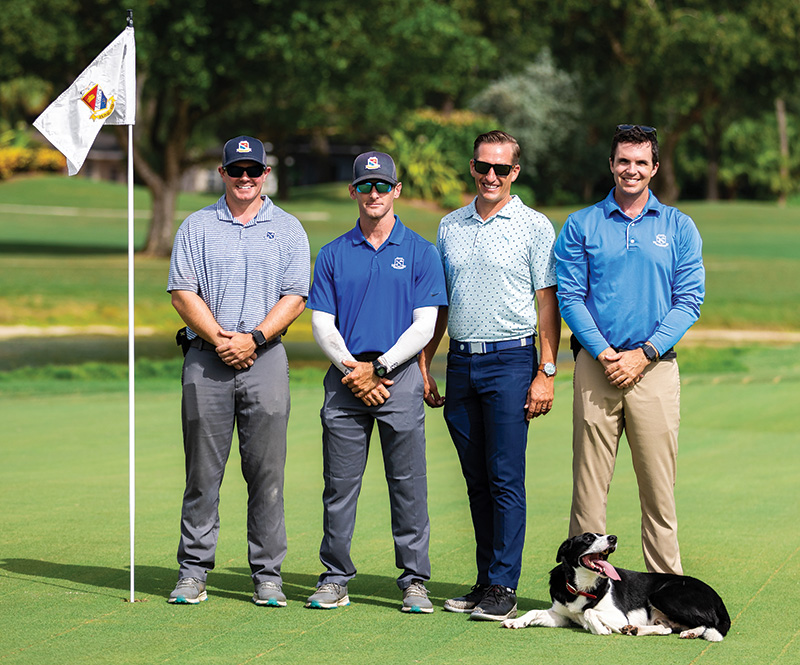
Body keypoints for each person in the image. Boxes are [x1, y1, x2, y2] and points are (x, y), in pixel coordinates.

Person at [419, 130, 561, 621]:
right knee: (476, 479)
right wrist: (424, 361)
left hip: (512, 360)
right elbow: (442, 303)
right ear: (473, 168)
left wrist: (546, 372)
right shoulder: (450, 226)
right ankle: (485, 582)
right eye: (484, 167)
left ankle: (504, 585)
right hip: (461, 361)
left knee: (505, 478)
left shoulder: (534, 225)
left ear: (515, 173)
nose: (492, 176)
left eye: (502, 168)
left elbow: (548, 305)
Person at [554, 124, 705, 575]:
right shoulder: (583, 223)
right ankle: (583, 592)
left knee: (658, 490)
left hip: (655, 369)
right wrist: (604, 354)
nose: (631, 170)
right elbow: (570, 296)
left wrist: (645, 353)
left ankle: (666, 593)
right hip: (596, 367)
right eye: (624, 161)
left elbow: (689, 299)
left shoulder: (678, 225)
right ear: (612, 165)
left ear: (654, 168)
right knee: (588, 492)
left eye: (641, 162)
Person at [166, 136, 310, 605]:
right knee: (202, 474)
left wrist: (254, 339)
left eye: (253, 170)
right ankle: (193, 571)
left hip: (265, 359)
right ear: (224, 173)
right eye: (236, 170)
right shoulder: (197, 225)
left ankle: (267, 574)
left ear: (264, 173)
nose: (245, 178)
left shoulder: (288, 228)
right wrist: (221, 340)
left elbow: (295, 295)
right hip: (206, 361)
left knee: (266, 474)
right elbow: (182, 292)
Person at [305, 151, 447, 614]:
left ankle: (414, 581)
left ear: (396, 190)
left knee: (408, 484)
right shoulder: (332, 254)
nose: (373, 194)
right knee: (339, 485)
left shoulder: (422, 252)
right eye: (364, 186)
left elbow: (425, 325)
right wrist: (355, 370)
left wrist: (379, 368)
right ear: (353, 192)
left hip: (398, 377)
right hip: (346, 380)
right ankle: (335, 577)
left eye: (381, 186)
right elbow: (323, 325)